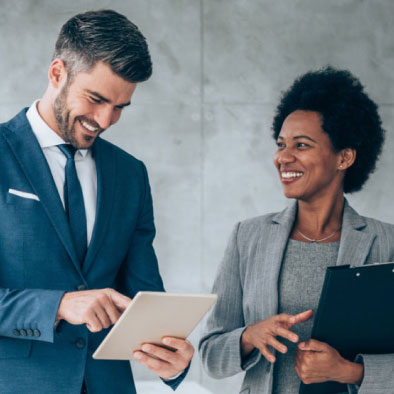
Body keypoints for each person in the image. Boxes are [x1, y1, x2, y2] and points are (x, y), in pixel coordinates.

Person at [0, 9, 193, 394]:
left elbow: (144, 295)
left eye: (120, 107)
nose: (105, 119)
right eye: (96, 99)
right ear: (57, 73)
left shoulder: (130, 174)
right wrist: (58, 305)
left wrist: (173, 358)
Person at [199, 67, 394, 393]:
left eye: (301, 145)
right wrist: (249, 337)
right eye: (281, 144)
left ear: (344, 157)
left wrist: (349, 371)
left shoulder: (387, 243)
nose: (282, 158)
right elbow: (210, 353)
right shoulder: (247, 237)